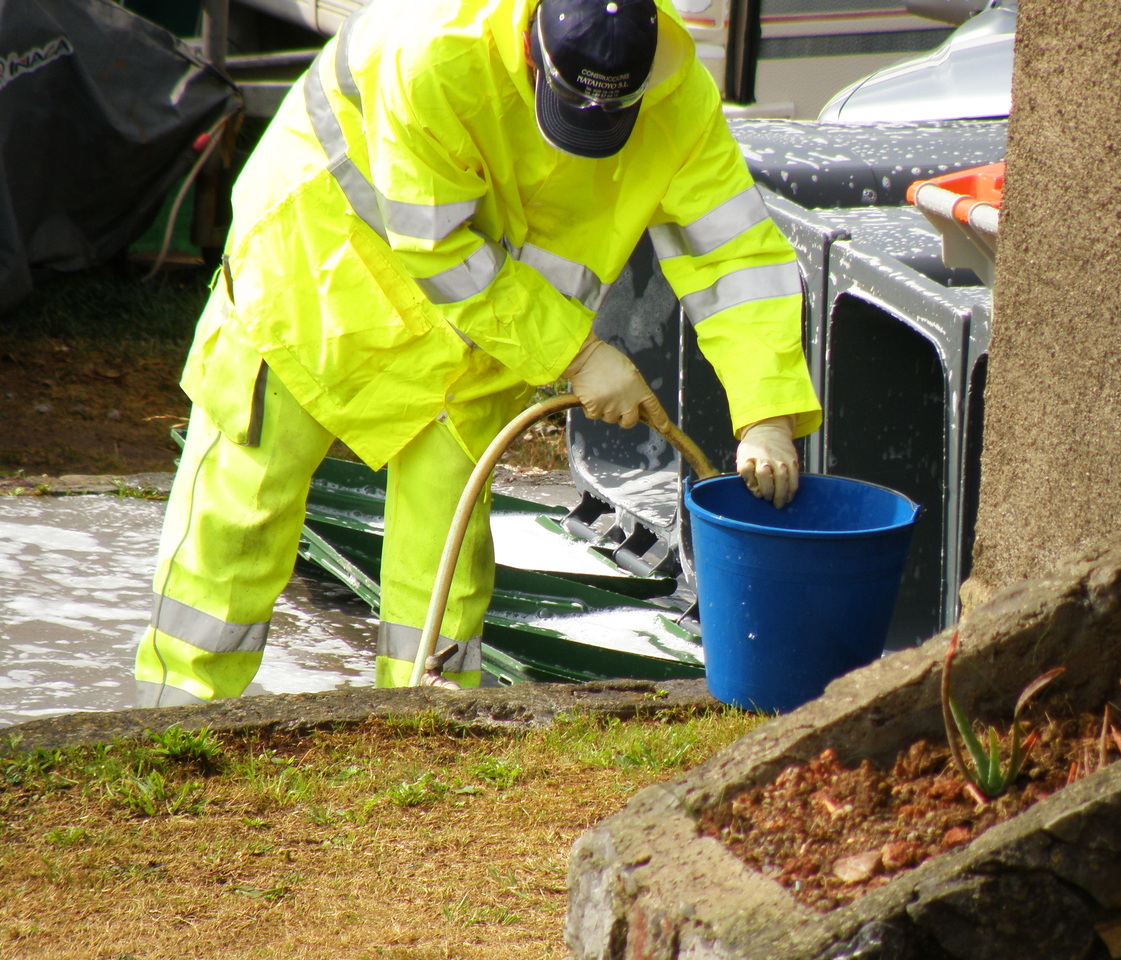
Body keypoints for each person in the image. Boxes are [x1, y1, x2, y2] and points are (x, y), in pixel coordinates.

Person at [134, 0, 822, 705]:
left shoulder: (678, 99)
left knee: (445, 566)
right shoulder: (431, 49)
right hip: (318, 281)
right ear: (532, 52)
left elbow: (734, 259)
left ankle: (426, 741)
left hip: (480, 341)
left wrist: (766, 410)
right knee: (239, 526)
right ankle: (176, 726)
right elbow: (436, 249)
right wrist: (580, 357)